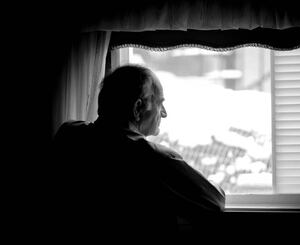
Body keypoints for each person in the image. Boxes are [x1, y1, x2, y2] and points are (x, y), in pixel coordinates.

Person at [52, 65, 225, 239]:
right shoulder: (152, 157)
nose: (164, 113)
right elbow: (214, 201)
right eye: (160, 103)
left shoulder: (68, 133)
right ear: (137, 108)